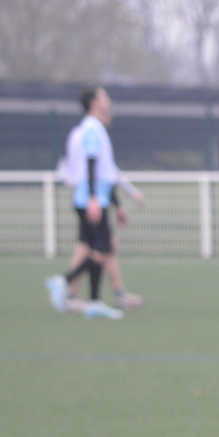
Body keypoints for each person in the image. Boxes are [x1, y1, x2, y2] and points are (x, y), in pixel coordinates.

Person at [44, 86, 145, 320]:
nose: (108, 100)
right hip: (92, 199)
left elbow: (105, 171)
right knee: (103, 249)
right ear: (94, 103)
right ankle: (65, 283)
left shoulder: (92, 128)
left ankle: (94, 301)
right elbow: (92, 165)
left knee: (94, 249)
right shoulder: (91, 129)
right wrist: (93, 198)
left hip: (94, 197)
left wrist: (117, 203)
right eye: (103, 96)